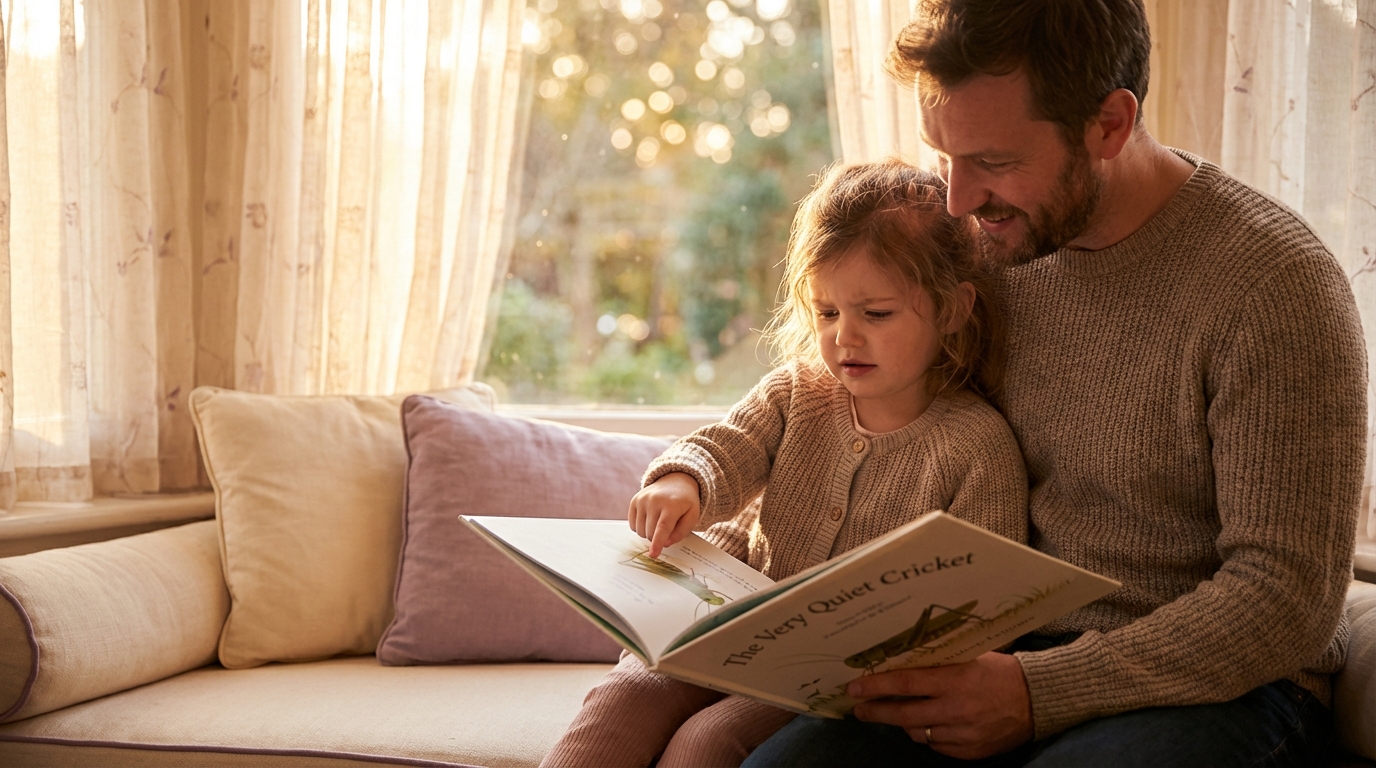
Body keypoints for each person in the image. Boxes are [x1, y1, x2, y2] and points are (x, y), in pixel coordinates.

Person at [742, 1, 1366, 766]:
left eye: (994, 164)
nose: (958, 202)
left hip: (1222, 687)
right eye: (944, 158)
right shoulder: (990, 252)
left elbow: (1286, 598)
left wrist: (1041, 692)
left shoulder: (1273, 286)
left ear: (1109, 123)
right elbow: (847, 394)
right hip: (998, 651)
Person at [540, 159, 1030, 768]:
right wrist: (681, 480)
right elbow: (726, 445)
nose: (845, 338)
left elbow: (992, 604)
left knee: (709, 740)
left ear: (953, 310)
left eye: (875, 314)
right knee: (628, 694)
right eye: (827, 313)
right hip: (723, 624)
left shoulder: (976, 447)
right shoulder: (798, 389)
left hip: (823, 678)